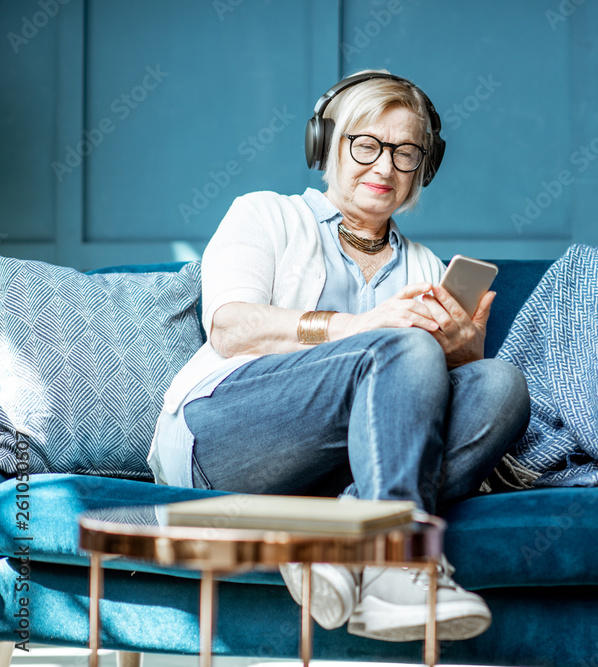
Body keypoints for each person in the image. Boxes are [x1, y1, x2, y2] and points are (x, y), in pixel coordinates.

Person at [148, 70, 530, 642]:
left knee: (500, 383)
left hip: (342, 468)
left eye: (406, 153)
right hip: (224, 437)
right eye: (367, 144)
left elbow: (420, 405)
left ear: (424, 168)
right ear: (325, 145)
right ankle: (398, 561)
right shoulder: (265, 215)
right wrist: (362, 328)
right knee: (398, 344)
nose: (385, 167)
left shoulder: (425, 266)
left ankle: (337, 533)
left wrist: (462, 355)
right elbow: (230, 328)